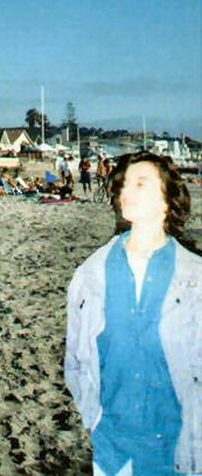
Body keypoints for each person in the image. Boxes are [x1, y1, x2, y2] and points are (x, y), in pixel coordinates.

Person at [65, 151, 202, 476]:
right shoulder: (90, 274)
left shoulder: (195, 277)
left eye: (141, 183)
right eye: (124, 183)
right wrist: (94, 417)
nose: (127, 191)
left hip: (180, 448)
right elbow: (75, 360)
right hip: (114, 450)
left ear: (167, 200)